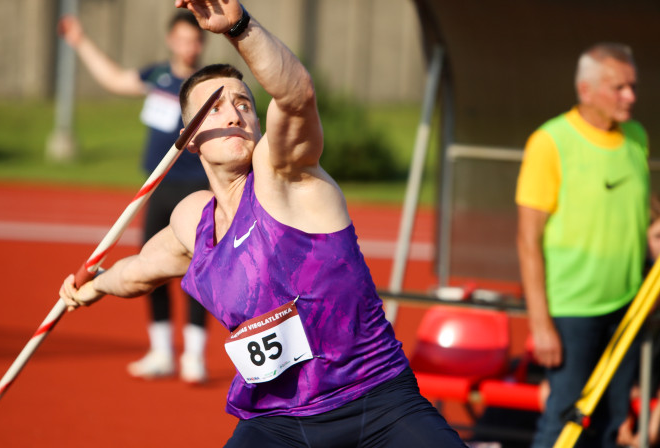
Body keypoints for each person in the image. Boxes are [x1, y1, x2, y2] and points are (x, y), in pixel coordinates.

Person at [60, 1, 467, 446]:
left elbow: (296, 95)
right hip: (278, 422)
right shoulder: (194, 221)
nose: (234, 114)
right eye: (213, 109)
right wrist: (93, 286)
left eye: (243, 105)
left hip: (377, 402)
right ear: (190, 138)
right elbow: (137, 272)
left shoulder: (284, 176)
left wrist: (239, 26)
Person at [58, 11, 211, 383]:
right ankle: (161, 352)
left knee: (196, 270)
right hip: (158, 189)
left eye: (195, 40)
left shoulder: (207, 84)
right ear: (171, 40)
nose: (188, 46)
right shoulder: (157, 77)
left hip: (197, 190)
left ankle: (194, 356)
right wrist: (80, 41)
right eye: (182, 39)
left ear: (202, 44)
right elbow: (113, 79)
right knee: (150, 265)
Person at [515, 42, 649, 448]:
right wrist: (541, 323)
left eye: (632, 86)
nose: (631, 96)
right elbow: (527, 239)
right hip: (572, 312)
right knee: (563, 423)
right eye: (619, 87)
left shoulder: (637, 138)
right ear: (586, 90)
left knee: (612, 424)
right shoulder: (550, 142)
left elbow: (631, 217)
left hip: (627, 308)